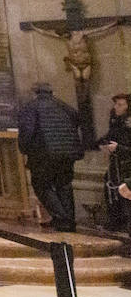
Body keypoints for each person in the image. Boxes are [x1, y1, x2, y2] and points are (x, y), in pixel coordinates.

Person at [18, 82, 84, 232]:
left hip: (43, 154)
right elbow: (77, 118)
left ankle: (62, 218)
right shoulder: (63, 105)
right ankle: (68, 220)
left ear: (35, 92)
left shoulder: (31, 107)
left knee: (41, 185)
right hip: (68, 152)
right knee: (64, 185)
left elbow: (27, 132)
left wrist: (24, 149)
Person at [98, 94, 131, 233]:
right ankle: (116, 221)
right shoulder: (116, 122)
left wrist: (118, 148)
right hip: (117, 165)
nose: (116, 107)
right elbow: (110, 136)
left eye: (120, 104)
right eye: (116, 104)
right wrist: (102, 143)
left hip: (127, 165)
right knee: (112, 189)